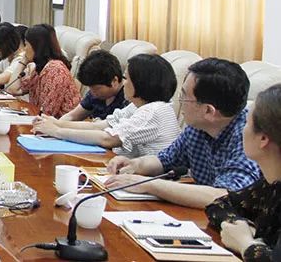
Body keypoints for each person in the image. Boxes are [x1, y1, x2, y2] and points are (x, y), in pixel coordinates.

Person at [105, 58, 262, 209]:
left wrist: (147, 184)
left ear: (208, 111)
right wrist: (135, 165)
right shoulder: (198, 127)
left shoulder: (249, 135)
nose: (179, 103)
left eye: (184, 97)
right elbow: (165, 160)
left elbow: (226, 196)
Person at [32, 54, 181, 158]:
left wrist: (57, 131)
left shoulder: (153, 111)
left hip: (149, 178)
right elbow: (101, 126)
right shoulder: (139, 106)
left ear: (141, 83)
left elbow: (107, 139)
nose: (124, 82)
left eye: (127, 78)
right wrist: (56, 123)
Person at [206, 85, 281, 262]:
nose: (242, 130)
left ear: (263, 138)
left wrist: (245, 244)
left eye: (246, 122)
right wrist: (240, 226)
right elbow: (220, 204)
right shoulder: (271, 183)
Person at [8, 24, 80, 117]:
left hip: (63, 123)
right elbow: (12, 89)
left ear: (36, 46)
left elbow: (48, 113)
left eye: (26, 44)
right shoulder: (40, 68)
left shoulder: (56, 70)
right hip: (44, 121)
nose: (24, 49)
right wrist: (23, 61)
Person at [60, 51, 129, 121]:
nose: (93, 93)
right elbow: (72, 116)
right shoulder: (95, 94)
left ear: (114, 80)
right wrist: (57, 124)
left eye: (97, 89)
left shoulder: (128, 98)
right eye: (90, 88)